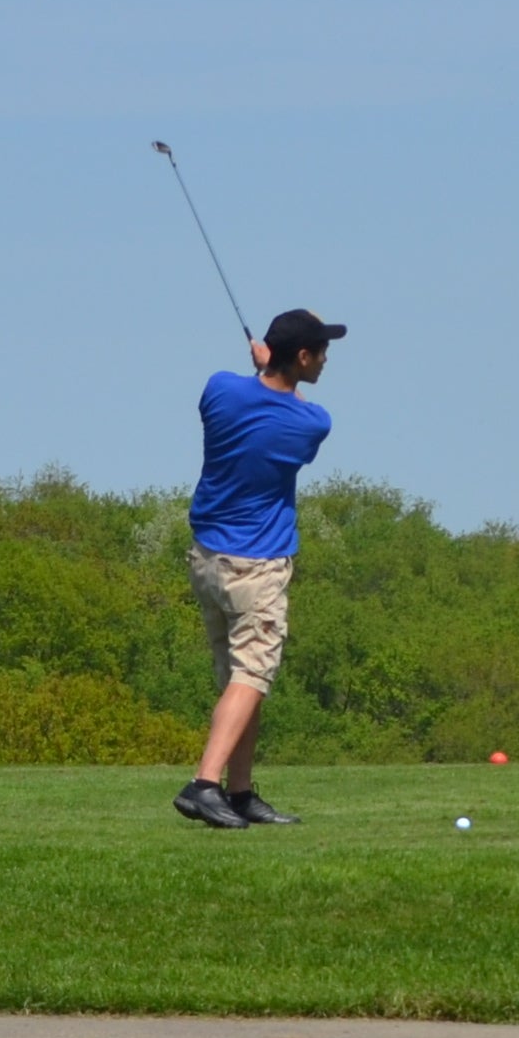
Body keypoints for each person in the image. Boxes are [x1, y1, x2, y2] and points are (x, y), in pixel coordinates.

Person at [176, 308, 343, 831]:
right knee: (252, 675)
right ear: (302, 356)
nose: (325, 359)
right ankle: (205, 785)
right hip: (257, 567)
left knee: (238, 683)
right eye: (320, 350)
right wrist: (277, 375)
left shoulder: (219, 389)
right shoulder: (312, 422)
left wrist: (262, 369)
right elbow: (289, 405)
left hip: (206, 561)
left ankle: (241, 792)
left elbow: (253, 394)